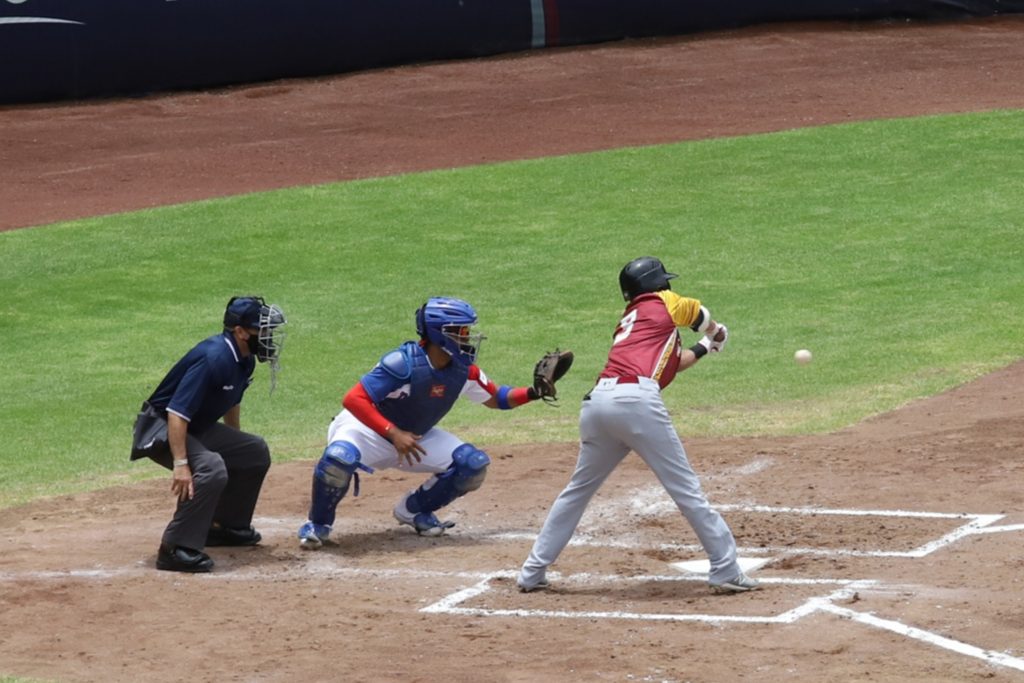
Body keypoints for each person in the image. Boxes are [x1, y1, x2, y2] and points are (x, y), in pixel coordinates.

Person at [517, 257, 760, 594]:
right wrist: (716, 332)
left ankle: (531, 572)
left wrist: (706, 348)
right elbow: (699, 314)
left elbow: (669, 367)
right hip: (635, 404)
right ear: (656, 284)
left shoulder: (633, 321)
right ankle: (725, 569)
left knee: (576, 492)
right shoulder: (660, 301)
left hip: (597, 405)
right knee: (686, 489)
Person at [297, 296, 565, 547]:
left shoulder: (463, 371)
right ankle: (317, 524)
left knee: (471, 465)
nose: (469, 337)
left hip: (413, 438)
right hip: (365, 431)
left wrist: (533, 393)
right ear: (440, 333)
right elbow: (354, 399)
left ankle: (414, 511)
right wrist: (393, 433)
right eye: (461, 331)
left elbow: (498, 398)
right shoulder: (403, 364)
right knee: (339, 459)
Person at [130, 296, 287, 573]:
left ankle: (224, 526)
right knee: (211, 468)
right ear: (240, 332)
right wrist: (181, 464)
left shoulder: (244, 359)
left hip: (195, 427)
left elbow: (232, 400)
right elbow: (176, 413)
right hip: (161, 429)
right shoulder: (214, 358)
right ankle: (175, 548)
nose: (267, 336)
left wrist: (234, 443)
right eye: (260, 330)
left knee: (253, 451)